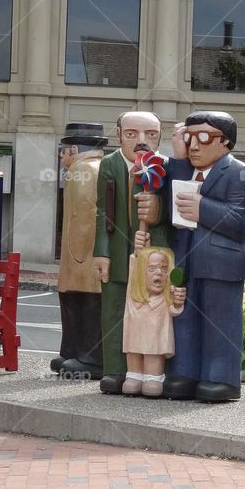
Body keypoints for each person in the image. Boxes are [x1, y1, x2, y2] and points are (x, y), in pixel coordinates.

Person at [163, 111, 245, 402]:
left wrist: (202, 207)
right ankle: (184, 372)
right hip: (187, 260)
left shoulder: (237, 171)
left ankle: (220, 377)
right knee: (184, 318)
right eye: (189, 138)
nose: (194, 146)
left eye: (204, 138)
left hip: (221, 264)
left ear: (225, 142)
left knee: (219, 323)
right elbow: (174, 199)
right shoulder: (186, 168)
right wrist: (176, 158)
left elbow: (239, 223)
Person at [93, 111, 168, 394]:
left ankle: (152, 373)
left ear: (160, 136)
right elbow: (101, 210)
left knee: (151, 313)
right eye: (132, 134)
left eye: (150, 134)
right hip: (117, 247)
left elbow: (174, 212)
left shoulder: (166, 167)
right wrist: (101, 252)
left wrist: (157, 212)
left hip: (153, 253)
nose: (141, 141)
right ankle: (114, 369)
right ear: (119, 134)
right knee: (113, 310)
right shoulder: (110, 164)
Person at [54, 123, 107, 379]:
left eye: (63, 151)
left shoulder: (85, 169)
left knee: (85, 304)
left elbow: (85, 216)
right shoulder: (86, 169)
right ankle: (73, 352)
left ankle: (89, 357)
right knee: (76, 302)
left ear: (74, 149)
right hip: (77, 255)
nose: (61, 156)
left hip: (82, 255)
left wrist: (79, 254)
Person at [122, 235, 186, 398]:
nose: (159, 272)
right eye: (152, 268)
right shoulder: (133, 296)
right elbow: (134, 266)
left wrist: (178, 302)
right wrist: (138, 252)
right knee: (134, 355)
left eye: (164, 269)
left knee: (153, 356)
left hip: (155, 342)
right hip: (134, 340)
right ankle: (134, 374)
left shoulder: (165, 299)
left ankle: (153, 377)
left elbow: (175, 309)